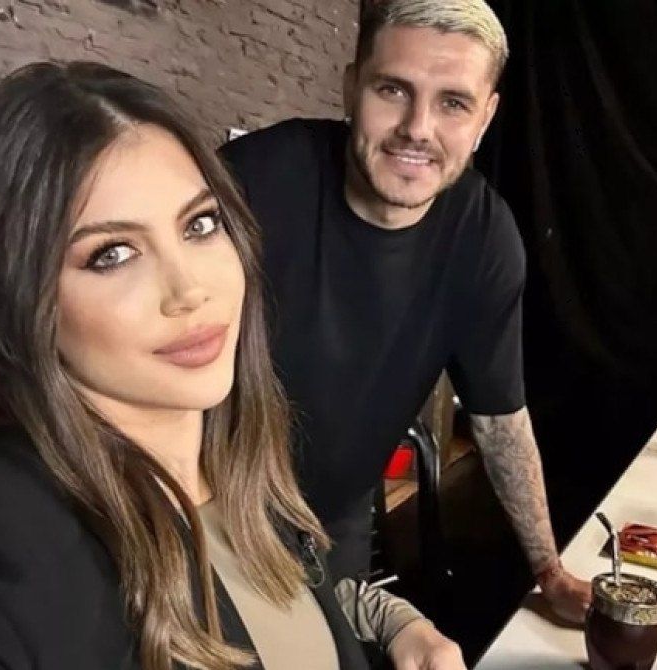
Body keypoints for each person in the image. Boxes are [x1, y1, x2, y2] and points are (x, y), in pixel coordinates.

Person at [0, 61, 465, 670]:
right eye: (113, 254)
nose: (189, 290)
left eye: (200, 225)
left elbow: (279, 600)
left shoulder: (234, 463)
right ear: (18, 300)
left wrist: (395, 622)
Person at [220, 0, 591, 622]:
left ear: (486, 118)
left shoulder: (484, 238)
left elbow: (499, 418)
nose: (417, 128)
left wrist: (549, 572)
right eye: (393, 90)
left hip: (329, 525)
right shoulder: (254, 180)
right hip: (198, 510)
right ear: (351, 88)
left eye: (453, 103)